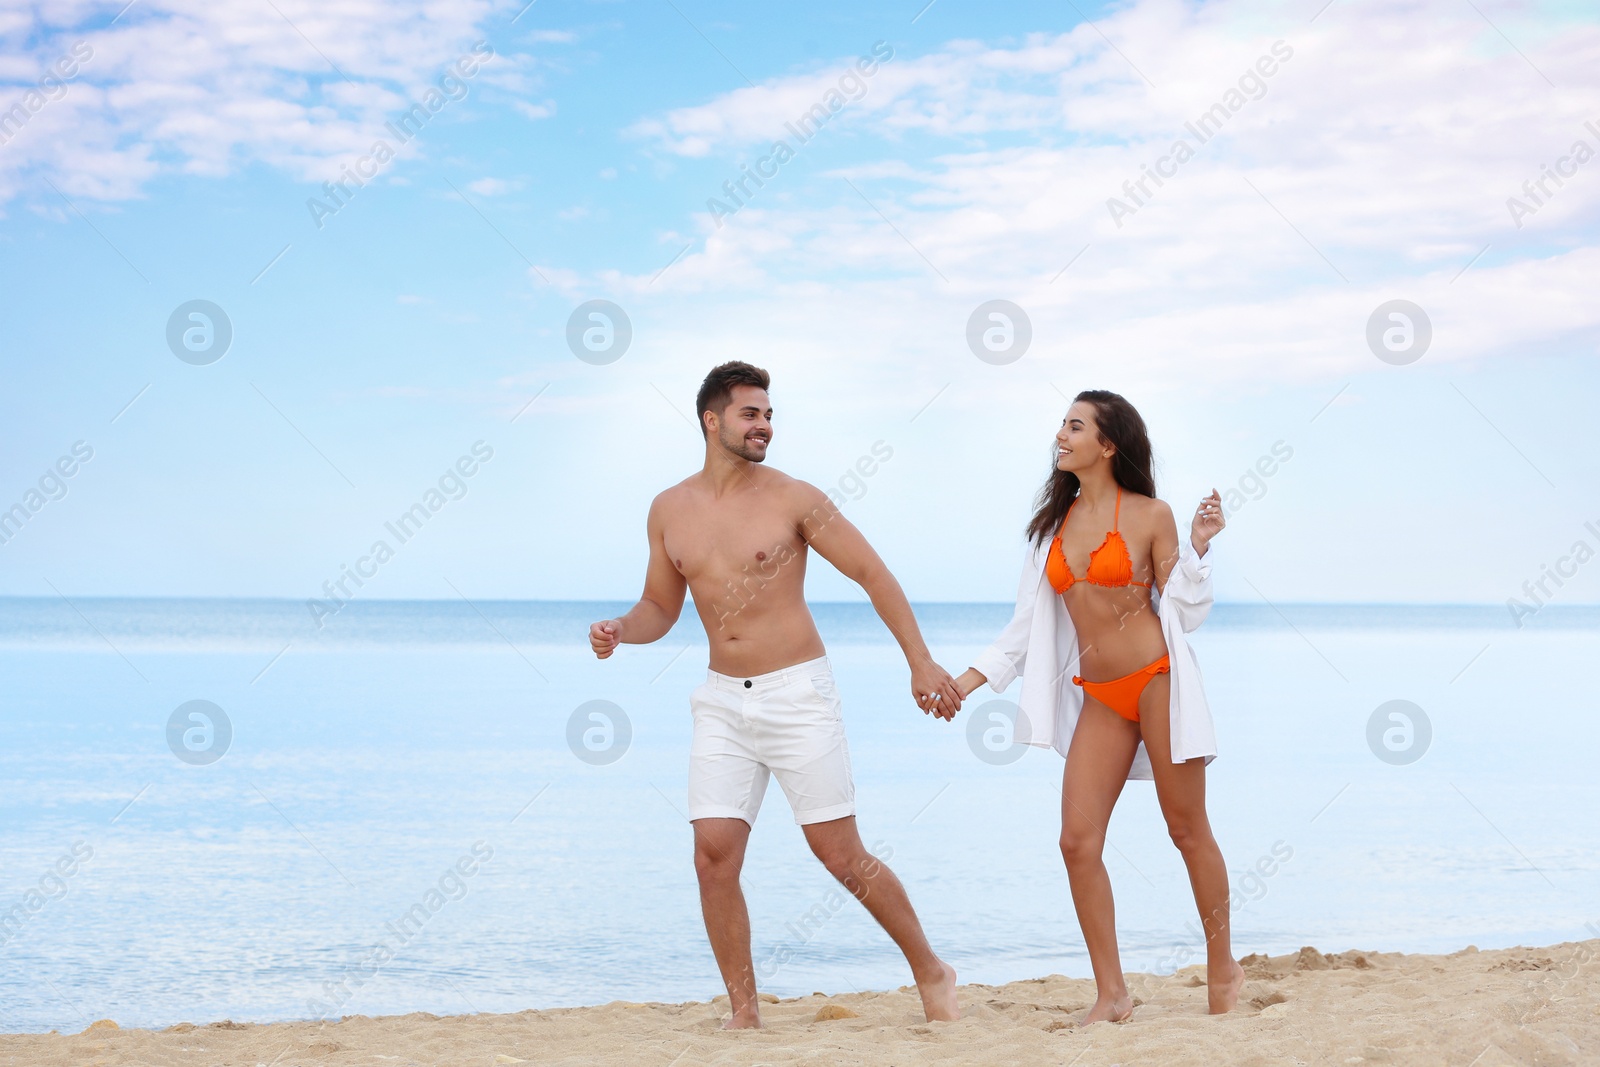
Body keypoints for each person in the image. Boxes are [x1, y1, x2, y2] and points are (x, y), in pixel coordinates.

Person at [588, 361, 963, 1028]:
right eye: (750, 414)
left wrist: (920, 661)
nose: (764, 425)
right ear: (712, 420)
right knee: (712, 855)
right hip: (722, 701)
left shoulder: (795, 497)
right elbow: (659, 606)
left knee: (840, 854)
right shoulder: (669, 509)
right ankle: (745, 1010)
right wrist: (622, 629)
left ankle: (931, 968)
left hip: (798, 693)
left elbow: (872, 572)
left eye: (768, 415)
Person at [948, 389, 1237, 1024]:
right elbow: (1024, 630)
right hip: (1100, 698)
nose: (1061, 435)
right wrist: (963, 684)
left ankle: (1224, 969)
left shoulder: (1151, 514)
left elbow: (1184, 613)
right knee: (1077, 842)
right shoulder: (1049, 531)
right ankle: (1112, 994)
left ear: (1107, 445)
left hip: (1157, 680)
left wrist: (1198, 548)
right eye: (1062, 424)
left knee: (1187, 831)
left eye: (1074, 426)